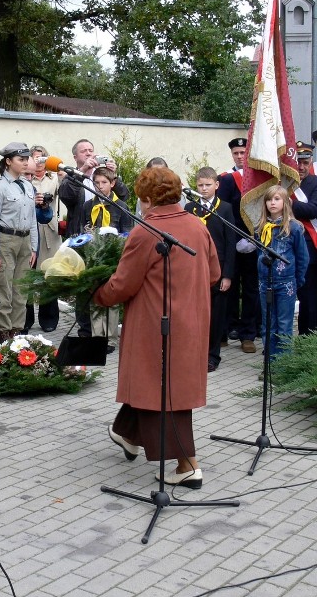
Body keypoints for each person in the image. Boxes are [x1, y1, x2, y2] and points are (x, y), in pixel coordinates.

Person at [94, 167, 220, 488]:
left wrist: (96, 293)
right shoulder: (196, 225)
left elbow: (123, 284)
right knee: (156, 383)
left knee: (163, 390)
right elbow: (214, 274)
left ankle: (187, 466)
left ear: (147, 198)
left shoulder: (146, 231)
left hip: (156, 325)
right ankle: (126, 433)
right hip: (192, 322)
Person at [185, 166, 236, 372]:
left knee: (215, 315)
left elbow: (231, 243)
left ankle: (212, 355)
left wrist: (228, 275)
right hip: (195, 269)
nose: (204, 189)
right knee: (194, 313)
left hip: (218, 269)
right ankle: (194, 352)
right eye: (200, 185)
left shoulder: (225, 209)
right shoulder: (190, 208)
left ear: (216, 185)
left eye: (208, 185)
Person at [0, 142, 38, 341]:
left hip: (24, 241)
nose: (25, 163)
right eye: (21, 159)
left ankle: (17, 331)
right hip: (6, 239)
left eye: (26, 159)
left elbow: (32, 219)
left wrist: (33, 247)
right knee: (4, 288)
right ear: (8, 161)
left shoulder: (27, 186)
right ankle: (4, 334)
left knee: (21, 289)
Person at [82, 165, 134, 351]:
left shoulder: (121, 206)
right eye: (96, 183)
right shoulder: (89, 206)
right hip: (93, 257)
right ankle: (97, 336)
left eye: (104, 182)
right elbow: (83, 229)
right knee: (95, 295)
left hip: (114, 258)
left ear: (112, 184)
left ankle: (111, 338)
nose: (100, 186)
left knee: (111, 296)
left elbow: (128, 233)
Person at [255, 185, 308, 361]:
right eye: (269, 199)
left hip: (286, 283)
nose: (272, 203)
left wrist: (297, 280)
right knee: (268, 324)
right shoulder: (261, 227)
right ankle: (270, 364)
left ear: (285, 203)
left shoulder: (293, 228)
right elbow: (258, 254)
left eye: (277, 199)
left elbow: (302, 257)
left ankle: (283, 364)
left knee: (284, 324)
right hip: (265, 282)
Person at [217, 137, 259, 353]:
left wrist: (255, 237)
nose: (240, 157)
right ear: (232, 155)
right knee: (229, 288)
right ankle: (225, 330)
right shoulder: (225, 179)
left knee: (251, 289)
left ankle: (248, 335)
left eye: (243, 153)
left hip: (254, 242)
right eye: (237, 153)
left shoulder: (259, 178)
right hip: (232, 242)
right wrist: (234, 238)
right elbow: (223, 211)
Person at [24, 145, 62, 332]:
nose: (39, 162)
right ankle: (26, 318)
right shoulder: (25, 178)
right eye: (35, 158)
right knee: (28, 276)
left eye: (42, 158)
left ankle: (49, 319)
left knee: (49, 276)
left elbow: (67, 194)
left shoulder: (54, 177)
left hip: (49, 231)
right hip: (30, 229)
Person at [291, 141, 317, 334]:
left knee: (309, 298)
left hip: (310, 249)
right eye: (298, 162)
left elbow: (313, 210)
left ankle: (307, 337)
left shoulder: (315, 183)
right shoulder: (285, 183)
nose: (301, 167)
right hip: (287, 247)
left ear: (310, 163)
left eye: (305, 162)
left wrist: (287, 205)